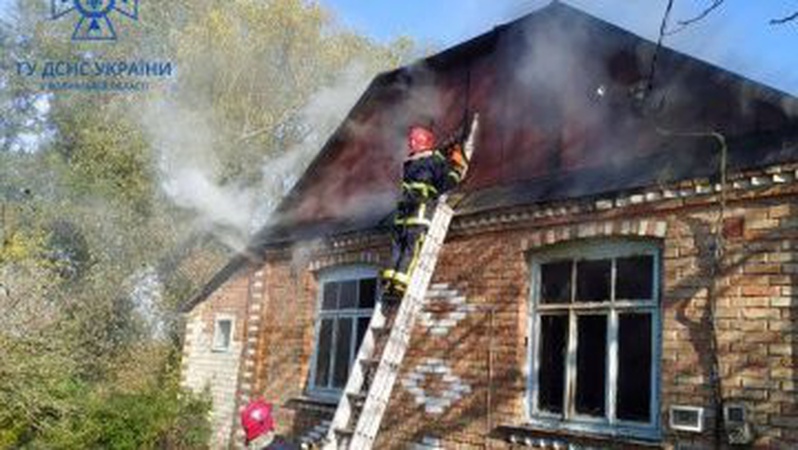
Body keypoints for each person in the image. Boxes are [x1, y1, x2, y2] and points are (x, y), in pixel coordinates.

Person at [380, 114, 479, 300]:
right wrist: (457, 170)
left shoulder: (409, 163)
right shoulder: (434, 160)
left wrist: (443, 153)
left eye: (412, 141)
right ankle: (400, 288)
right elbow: (445, 183)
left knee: (397, 250)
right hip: (419, 215)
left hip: (401, 218)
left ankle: (389, 285)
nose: (410, 143)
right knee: (411, 250)